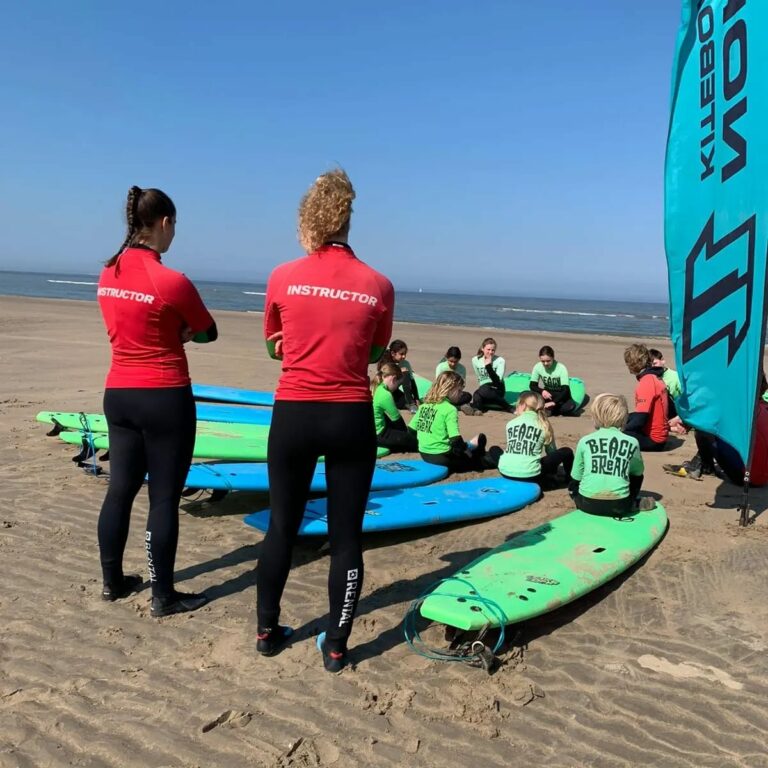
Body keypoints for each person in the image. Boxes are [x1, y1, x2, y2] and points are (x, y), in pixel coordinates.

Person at [257, 169, 394, 673]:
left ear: (308, 217)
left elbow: (274, 347)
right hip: (349, 415)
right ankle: (336, 647)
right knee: (347, 538)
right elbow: (375, 350)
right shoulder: (379, 284)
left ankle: (267, 632)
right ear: (349, 217)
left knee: (282, 528)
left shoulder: (281, 276)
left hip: (293, 411)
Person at [96, 186, 218, 618]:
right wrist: (185, 332)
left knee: (120, 490)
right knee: (163, 498)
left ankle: (112, 582)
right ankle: (163, 594)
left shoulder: (108, 272)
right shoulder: (171, 280)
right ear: (164, 223)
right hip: (164, 395)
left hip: (119, 393)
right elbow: (208, 331)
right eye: (174, 226)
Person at [665, 376, 768, 485]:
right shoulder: (763, 408)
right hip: (764, 477)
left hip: (745, 477)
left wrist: (685, 422)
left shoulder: (740, 411)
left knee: (704, 429)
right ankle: (703, 465)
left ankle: (701, 466)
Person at [569, 393, 652, 515]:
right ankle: (633, 502)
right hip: (620, 505)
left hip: (585, 504)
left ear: (596, 416)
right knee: (637, 477)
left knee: (575, 483)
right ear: (624, 417)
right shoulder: (632, 442)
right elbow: (638, 472)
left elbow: (576, 476)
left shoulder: (585, 441)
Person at [412, 371, 495, 473]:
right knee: (486, 457)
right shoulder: (450, 409)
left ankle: (474, 447)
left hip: (424, 454)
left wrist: (427, 443)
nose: (461, 394)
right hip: (443, 457)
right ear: (449, 389)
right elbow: (455, 440)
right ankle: (476, 450)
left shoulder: (424, 406)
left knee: (475, 442)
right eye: (459, 391)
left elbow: (411, 430)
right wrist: (466, 452)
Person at [493, 392, 574, 489]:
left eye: (517, 405)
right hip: (531, 475)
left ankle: (508, 465)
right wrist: (552, 472)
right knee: (567, 451)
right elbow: (551, 452)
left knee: (494, 449)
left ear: (523, 406)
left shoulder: (510, 423)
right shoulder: (544, 425)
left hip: (505, 472)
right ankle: (569, 479)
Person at [623, 343, 669, 451]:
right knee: (624, 417)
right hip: (659, 434)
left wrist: (620, 429)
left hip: (654, 440)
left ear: (631, 364)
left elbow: (640, 420)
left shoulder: (646, 382)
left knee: (613, 434)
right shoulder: (655, 376)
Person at [371, 362, 418, 452]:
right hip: (379, 434)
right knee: (414, 441)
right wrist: (406, 436)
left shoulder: (376, 387)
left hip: (371, 429)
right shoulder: (385, 394)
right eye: (398, 385)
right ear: (393, 379)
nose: (396, 388)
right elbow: (397, 420)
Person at [529, 345, 578, 416]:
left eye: (548, 361)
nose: (545, 364)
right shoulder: (537, 367)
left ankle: (550, 409)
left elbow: (565, 390)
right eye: (543, 361)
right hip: (547, 395)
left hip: (561, 396)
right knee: (524, 394)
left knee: (570, 407)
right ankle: (549, 409)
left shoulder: (561, 368)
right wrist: (542, 391)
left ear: (553, 358)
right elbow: (532, 386)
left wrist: (553, 402)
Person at [470, 337, 512, 412]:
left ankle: (508, 407)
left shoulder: (500, 361)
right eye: (488, 349)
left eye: (493, 350)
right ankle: (478, 411)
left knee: (483, 389)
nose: (490, 352)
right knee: (476, 395)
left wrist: (488, 366)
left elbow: (497, 382)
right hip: (485, 390)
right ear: (483, 348)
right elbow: (479, 377)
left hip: (497, 390)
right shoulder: (475, 360)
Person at [383, 340, 420, 413]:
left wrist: (416, 398)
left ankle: (410, 403)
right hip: (384, 390)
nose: (404, 356)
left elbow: (412, 382)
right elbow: (383, 379)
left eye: (405, 354)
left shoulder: (405, 364)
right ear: (393, 353)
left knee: (405, 402)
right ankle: (410, 403)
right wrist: (398, 371)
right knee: (405, 373)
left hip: (394, 390)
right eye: (401, 354)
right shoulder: (385, 361)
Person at [435, 346, 473, 411]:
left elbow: (463, 384)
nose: (453, 364)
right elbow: (438, 383)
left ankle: (450, 405)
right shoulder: (441, 367)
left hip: (455, 394)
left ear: (459, 359)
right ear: (447, 358)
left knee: (468, 396)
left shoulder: (462, 368)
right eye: (451, 361)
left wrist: (455, 391)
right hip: (443, 393)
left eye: (455, 362)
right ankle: (459, 407)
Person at [649, 348, 681, 420]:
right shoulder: (649, 377)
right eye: (650, 365)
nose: (652, 367)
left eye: (654, 363)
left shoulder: (675, 376)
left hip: (674, 411)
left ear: (662, 360)